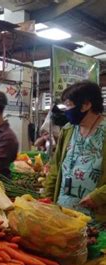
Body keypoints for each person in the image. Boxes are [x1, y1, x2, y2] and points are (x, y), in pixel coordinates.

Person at [44, 81, 106, 218]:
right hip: (62, 213)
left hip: (96, 218)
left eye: (69, 105)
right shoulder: (68, 130)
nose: (66, 110)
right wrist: (46, 199)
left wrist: (98, 197)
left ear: (86, 105)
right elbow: (56, 167)